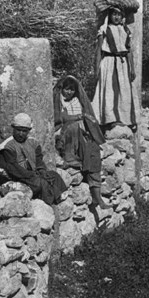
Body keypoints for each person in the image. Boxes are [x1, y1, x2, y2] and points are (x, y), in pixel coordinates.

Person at [53, 75, 111, 210]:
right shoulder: (58, 101)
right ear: (62, 89)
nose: (69, 92)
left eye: (72, 90)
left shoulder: (78, 101)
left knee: (93, 150)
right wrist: (79, 117)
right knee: (74, 130)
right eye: (67, 89)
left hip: (81, 133)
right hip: (64, 134)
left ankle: (97, 197)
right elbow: (60, 118)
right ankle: (72, 159)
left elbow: (87, 117)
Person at [0, 113, 67, 205]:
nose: (21, 133)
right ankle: (48, 204)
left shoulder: (33, 143)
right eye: (18, 130)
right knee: (40, 183)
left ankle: (58, 198)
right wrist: (32, 175)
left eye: (24, 131)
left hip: (30, 174)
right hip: (14, 177)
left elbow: (38, 161)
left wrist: (42, 171)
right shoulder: (7, 146)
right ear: (13, 129)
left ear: (28, 131)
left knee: (53, 175)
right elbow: (13, 168)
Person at [91, 6, 137, 131]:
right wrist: (97, 68)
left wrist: (132, 68)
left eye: (119, 14)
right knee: (109, 90)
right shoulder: (104, 29)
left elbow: (129, 51)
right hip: (109, 62)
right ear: (109, 15)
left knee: (124, 90)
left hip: (122, 64)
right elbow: (99, 51)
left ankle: (124, 118)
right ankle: (108, 118)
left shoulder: (126, 30)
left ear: (122, 17)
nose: (116, 17)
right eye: (114, 14)